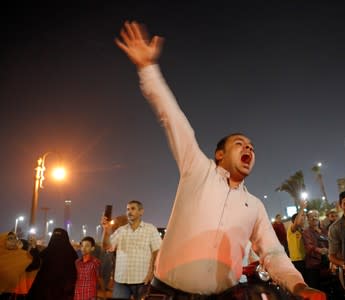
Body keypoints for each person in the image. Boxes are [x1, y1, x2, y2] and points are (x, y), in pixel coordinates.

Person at [115, 21, 325, 299]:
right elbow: (173, 119)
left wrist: (298, 285)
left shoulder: (255, 207)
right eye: (239, 144)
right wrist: (147, 69)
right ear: (219, 155)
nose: (248, 148)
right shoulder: (197, 171)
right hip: (166, 293)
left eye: (251, 146)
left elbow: (273, 252)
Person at [101, 200, 162, 299]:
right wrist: (106, 231)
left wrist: (151, 273)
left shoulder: (150, 229)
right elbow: (106, 247)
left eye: (133, 209)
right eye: (127, 209)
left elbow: (157, 252)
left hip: (142, 280)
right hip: (121, 280)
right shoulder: (121, 230)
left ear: (141, 211)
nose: (129, 212)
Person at [27, 228, 78, 300]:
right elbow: (37, 261)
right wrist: (34, 247)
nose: (57, 240)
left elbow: (74, 273)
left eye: (59, 237)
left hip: (62, 290)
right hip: (45, 289)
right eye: (55, 237)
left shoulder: (71, 254)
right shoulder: (48, 251)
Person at [303, 210, 329, 290]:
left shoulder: (324, 230)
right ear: (308, 220)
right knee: (317, 289)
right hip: (314, 264)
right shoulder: (306, 232)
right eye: (311, 217)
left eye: (316, 216)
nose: (314, 218)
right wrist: (321, 250)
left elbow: (331, 241)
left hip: (328, 262)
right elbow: (309, 246)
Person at [287, 211, 306, 276]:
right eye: (301, 219)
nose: (303, 221)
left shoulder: (302, 230)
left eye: (303, 219)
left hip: (304, 259)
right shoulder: (291, 230)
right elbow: (296, 224)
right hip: (297, 261)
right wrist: (302, 207)